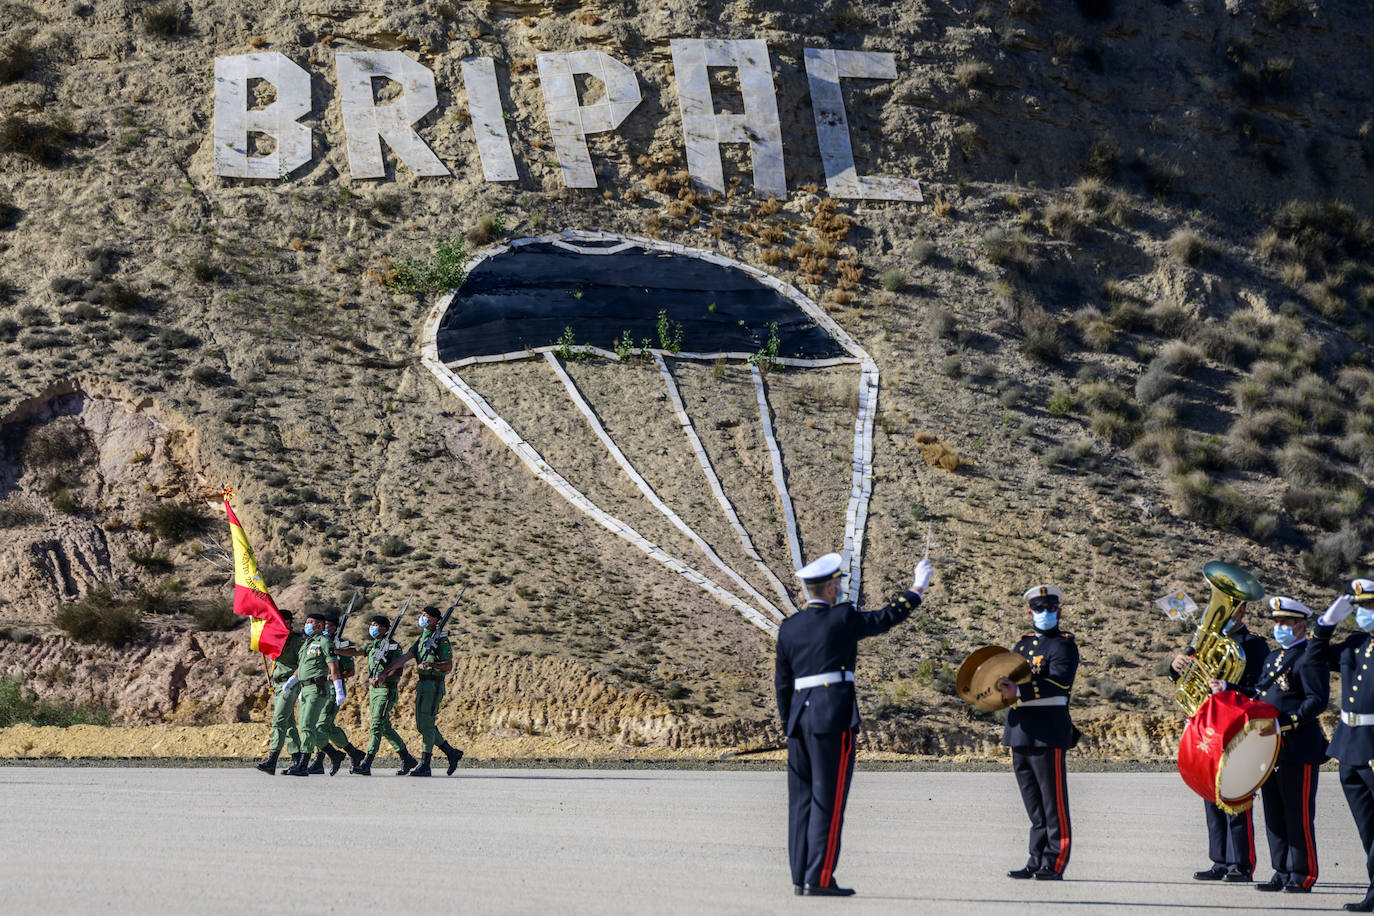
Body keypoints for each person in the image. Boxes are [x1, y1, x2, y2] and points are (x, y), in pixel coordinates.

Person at [773, 552, 934, 898]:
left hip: (799, 723)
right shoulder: (843, 617)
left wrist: (790, 726)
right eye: (839, 584)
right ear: (831, 588)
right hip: (833, 719)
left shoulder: (789, 628)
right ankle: (820, 877)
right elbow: (887, 617)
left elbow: (782, 686)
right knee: (827, 803)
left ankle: (800, 876)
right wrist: (917, 587)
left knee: (800, 802)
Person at [1215, 596, 1328, 893]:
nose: (1279, 628)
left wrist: (1285, 722)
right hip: (1269, 747)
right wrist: (1228, 688)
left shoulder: (1310, 657)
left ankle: (1302, 873)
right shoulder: (1273, 658)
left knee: (1298, 814)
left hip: (1298, 746)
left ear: (1301, 627)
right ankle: (1281, 870)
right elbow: (1257, 691)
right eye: (1276, 623)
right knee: (1274, 814)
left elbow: (1317, 701)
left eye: (1285, 623)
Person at [1167, 603, 1268, 882]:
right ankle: (1220, 860)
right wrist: (1175, 667)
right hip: (1206, 728)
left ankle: (1242, 864)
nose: (1219, 616)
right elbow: (1184, 678)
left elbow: (1261, 689)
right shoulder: (1203, 643)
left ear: (1241, 612)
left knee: (1234, 795)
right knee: (1210, 796)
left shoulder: (1255, 646)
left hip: (1236, 728)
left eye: (1228, 610)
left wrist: (1229, 689)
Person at [998, 585, 1080, 881]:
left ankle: (1054, 861)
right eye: (1039, 609)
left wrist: (1018, 690)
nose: (1045, 614)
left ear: (1058, 611)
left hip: (1048, 732)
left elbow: (1059, 683)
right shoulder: (1022, 646)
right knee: (1034, 804)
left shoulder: (1064, 646)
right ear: (1029, 613)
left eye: (1050, 608)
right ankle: (1035, 859)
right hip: (1021, 731)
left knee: (1052, 802)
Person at [1312, 579, 1374, 911]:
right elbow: (1313, 659)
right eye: (1361, 607)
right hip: (1350, 749)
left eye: (1370, 607)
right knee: (1367, 827)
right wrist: (1325, 625)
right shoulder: (1355, 643)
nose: (1365, 613)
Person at [375, 606, 464, 777]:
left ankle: (426, 764)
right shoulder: (422, 639)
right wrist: (385, 671)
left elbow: (448, 665)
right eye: (422, 614)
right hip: (423, 685)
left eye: (426, 616)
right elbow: (404, 658)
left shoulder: (441, 640)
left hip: (434, 685)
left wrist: (432, 665)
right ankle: (451, 752)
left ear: (436, 620)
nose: (422, 618)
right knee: (422, 725)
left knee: (427, 724)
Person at [280, 611, 347, 777]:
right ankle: (335, 754)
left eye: (310, 622)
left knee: (308, 726)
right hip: (306, 688)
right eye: (306, 622)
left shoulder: (325, 642)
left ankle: (303, 765)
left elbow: (333, 667)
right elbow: (302, 667)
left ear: (318, 625)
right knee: (304, 726)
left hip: (318, 689)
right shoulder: (307, 644)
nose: (306, 625)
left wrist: (339, 690)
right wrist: (291, 681)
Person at [354, 613, 419, 776]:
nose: (373, 628)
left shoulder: (393, 646)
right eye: (372, 624)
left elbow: (398, 671)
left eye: (376, 625)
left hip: (386, 691)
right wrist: (336, 649)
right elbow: (356, 651)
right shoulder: (374, 645)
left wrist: (384, 676)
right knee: (385, 728)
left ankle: (367, 763)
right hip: (373, 691)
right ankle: (407, 758)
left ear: (384, 629)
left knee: (376, 726)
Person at [310, 612, 366, 776]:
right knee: (326, 726)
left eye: (326, 625)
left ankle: (320, 760)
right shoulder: (318, 643)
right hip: (320, 689)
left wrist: (335, 677)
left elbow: (350, 671)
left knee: (321, 725)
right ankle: (353, 752)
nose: (323, 628)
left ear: (334, 627)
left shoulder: (342, 645)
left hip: (334, 689)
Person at [254, 610, 304, 775]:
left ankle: (272, 760)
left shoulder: (297, 641)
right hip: (277, 684)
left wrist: (294, 681)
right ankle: (298, 760)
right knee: (288, 724)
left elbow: (303, 664)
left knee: (279, 721)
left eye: (284, 621)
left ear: (290, 622)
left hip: (290, 684)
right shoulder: (274, 639)